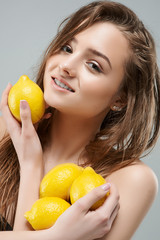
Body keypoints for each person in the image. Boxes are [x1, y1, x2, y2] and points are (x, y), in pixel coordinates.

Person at [0, 0, 159, 239]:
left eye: (94, 65)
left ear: (120, 98)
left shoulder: (128, 180)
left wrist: (31, 164)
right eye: (67, 48)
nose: (66, 66)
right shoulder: (6, 131)